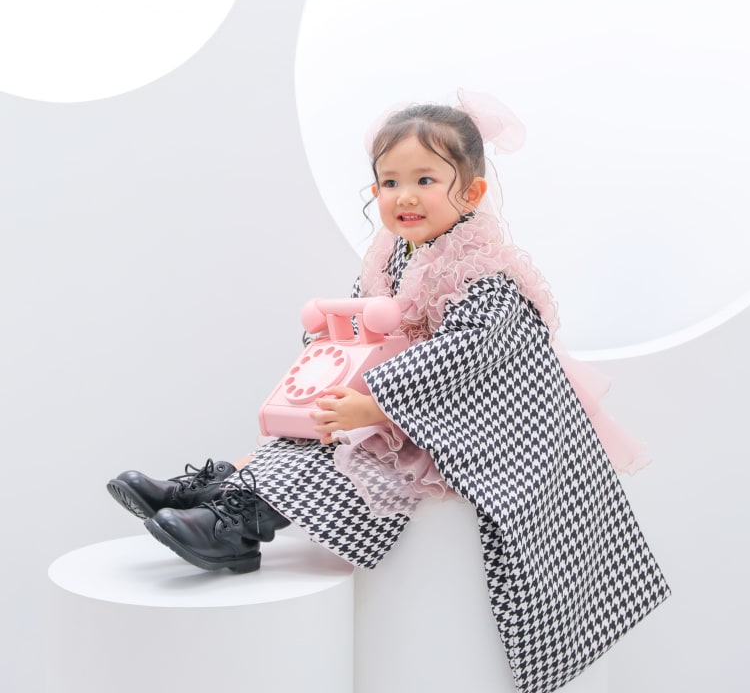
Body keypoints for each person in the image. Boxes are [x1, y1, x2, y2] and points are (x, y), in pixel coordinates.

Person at [107, 94, 670, 693]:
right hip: (411, 401)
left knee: (353, 455)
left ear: (471, 193)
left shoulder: (487, 275)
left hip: (479, 423)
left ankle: (242, 524)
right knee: (311, 427)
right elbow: (368, 327)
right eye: (389, 182)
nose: (404, 197)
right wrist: (330, 341)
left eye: (425, 180)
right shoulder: (393, 259)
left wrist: (375, 401)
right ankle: (228, 489)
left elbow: (467, 356)